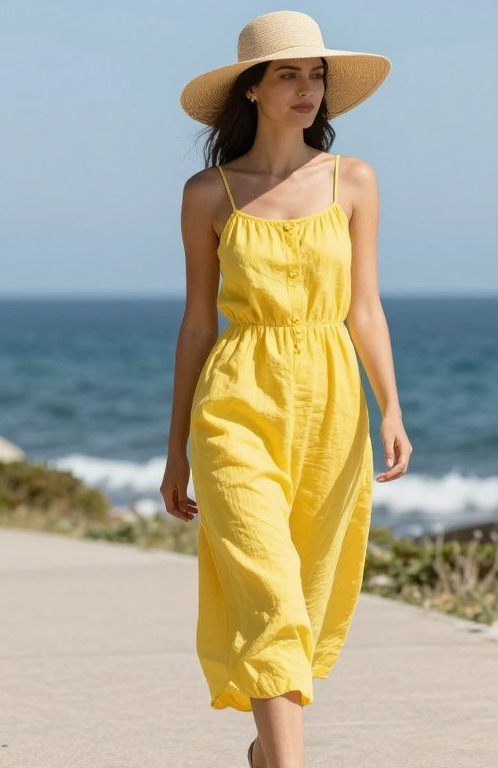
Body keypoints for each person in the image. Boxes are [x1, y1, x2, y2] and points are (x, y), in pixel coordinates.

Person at [162, 10, 411, 768]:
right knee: (268, 590)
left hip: (331, 405)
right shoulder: (209, 193)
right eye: (289, 76)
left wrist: (391, 405)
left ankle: (269, 752)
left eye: (317, 76)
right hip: (236, 402)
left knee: (305, 586)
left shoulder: (354, 181)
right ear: (253, 91)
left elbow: (364, 305)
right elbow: (198, 325)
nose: (308, 90)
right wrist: (175, 451)